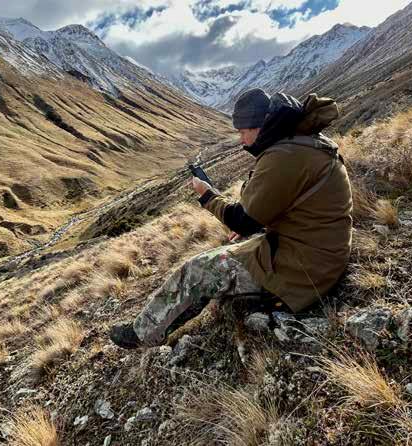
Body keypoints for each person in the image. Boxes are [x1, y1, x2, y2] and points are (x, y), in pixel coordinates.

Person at [109, 88, 353, 349]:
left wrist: (207, 196)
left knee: (196, 270)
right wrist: (254, 224)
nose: (241, 140)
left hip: (305, 271)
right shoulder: (300, 142)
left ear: (260, 126)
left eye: (243, 131)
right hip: (320, 254)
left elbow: (241, 221)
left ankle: (142, 335)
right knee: (230, 251)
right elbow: (291, 206)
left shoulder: (284, 156)